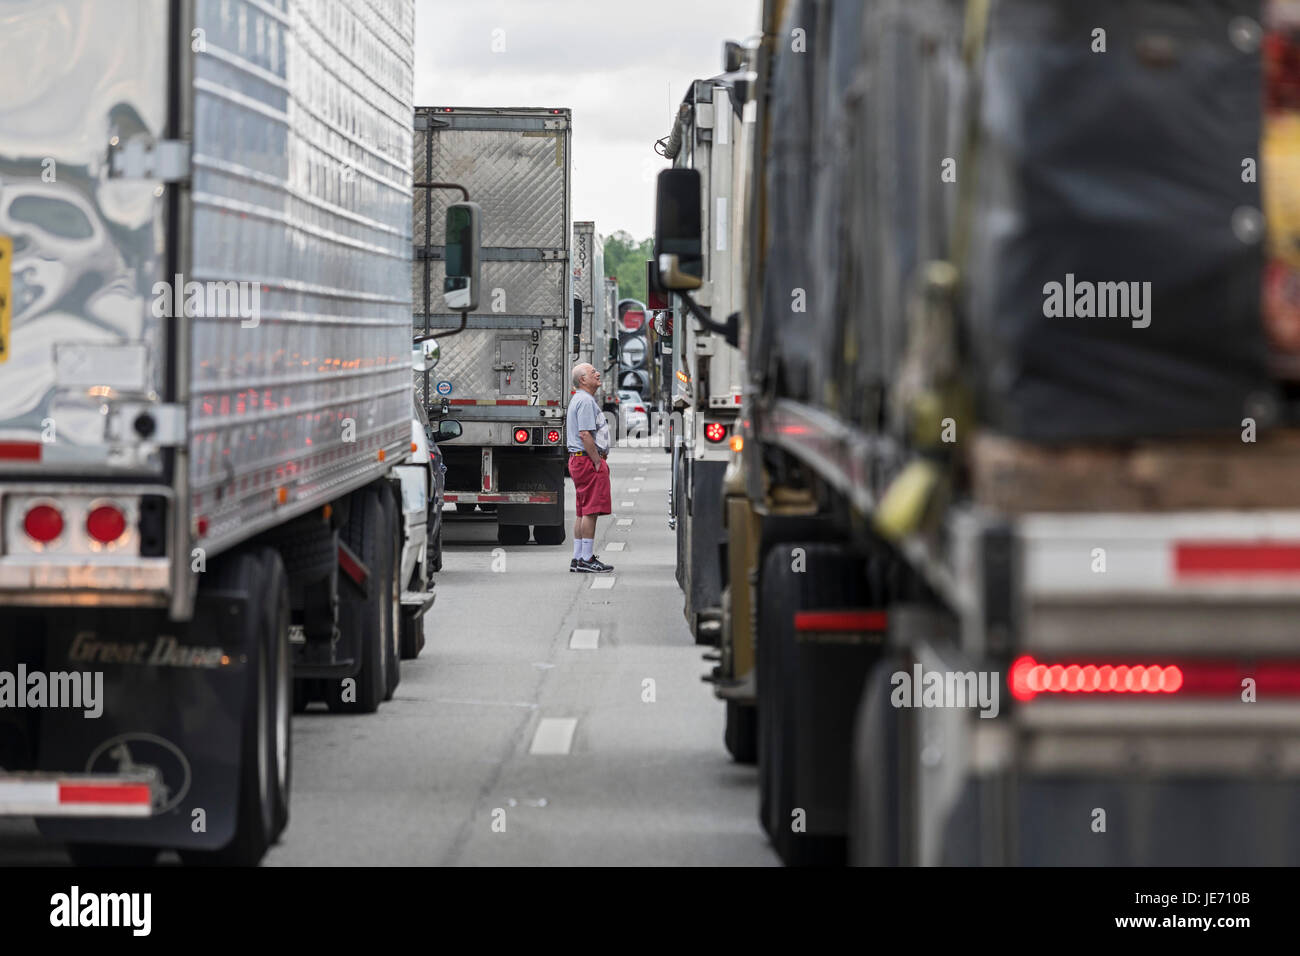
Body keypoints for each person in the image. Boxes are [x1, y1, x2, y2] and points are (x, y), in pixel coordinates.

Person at [566, 363, 614, 572]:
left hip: (579, 459)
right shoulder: (585, 401)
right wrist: (596, 460)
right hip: (586, 460)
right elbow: (585, 434)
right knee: (591, 511)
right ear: (583, 380)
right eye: (592, 372)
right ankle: (586, 558)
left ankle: (578, 558)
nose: (597, 373)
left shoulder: (580, 399)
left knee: (582, 511)